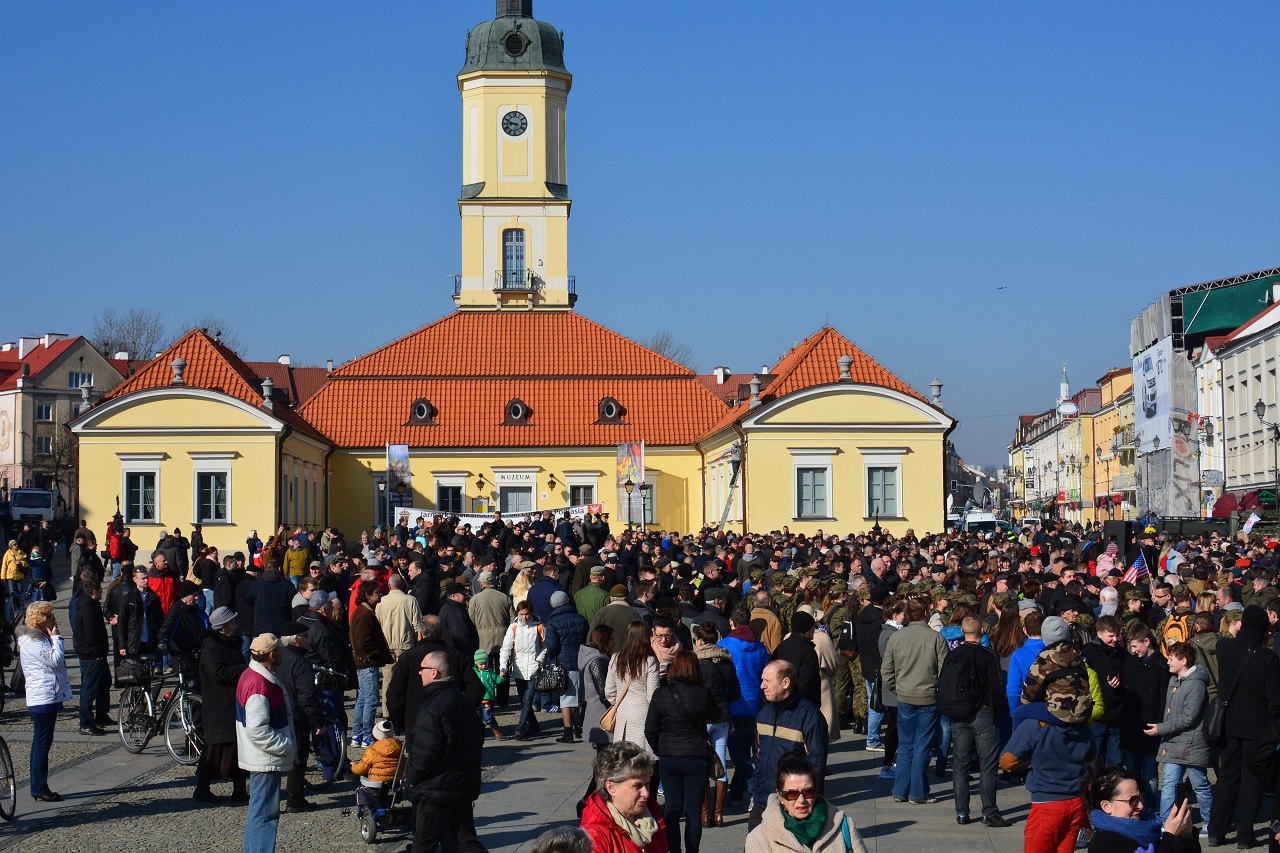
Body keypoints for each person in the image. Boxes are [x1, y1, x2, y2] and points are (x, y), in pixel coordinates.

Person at [1205, 605, 1280, 848]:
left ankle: (1216, 831)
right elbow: (1275, 701)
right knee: (1252, 781)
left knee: (1226, 777)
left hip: (1229, 724)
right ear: (1264, 630)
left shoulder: (1224, 647)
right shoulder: (1267, 657)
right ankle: (1244, 836)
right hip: (1258, 728)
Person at [407, 650, 489, 853]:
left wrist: (412, 779)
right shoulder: (462, 700)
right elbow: (478, 736)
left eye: (423, 669)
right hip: (461, 783)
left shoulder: (431, 708)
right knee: (467, 843)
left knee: (423, 846)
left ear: (434, 672)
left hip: (438, 789)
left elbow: (426, 754)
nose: (419, 672)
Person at [644, 650, 723, 853]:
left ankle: (674, 850)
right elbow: (716, 715)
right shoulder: (703, 693)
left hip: (669, 755)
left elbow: (650, 729)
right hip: (696, 756)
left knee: (672, 807)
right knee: (693, 810)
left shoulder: (661, 694)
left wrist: (660, 749)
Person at [942, 615, 1012, 827]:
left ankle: (962, 812)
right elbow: (997, 687)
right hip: (983, 712)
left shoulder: (953, 655)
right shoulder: (987, 656)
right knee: (988, 764)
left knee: (960, 764)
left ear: (962, 632)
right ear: (982, 631)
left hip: (959, 714)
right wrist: (997, 710)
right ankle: (989, 811)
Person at [880, 597, 948, 805]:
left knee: (906, 744)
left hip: (905, 696)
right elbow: (945, 671)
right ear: (926, 614)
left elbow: (886, 670)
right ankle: (917, 793)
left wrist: (897, 688)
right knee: (922, 745)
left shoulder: (896, 637)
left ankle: (900, 790)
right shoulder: (936, 638)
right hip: (928, 696)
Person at [236, 633, 298, 853]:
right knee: (265, 815)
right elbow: (258, 730)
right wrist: (286, 746)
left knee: (259, 813)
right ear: (272, 655)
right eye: (279, 650)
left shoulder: (252, 674)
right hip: (265, 759)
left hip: (261, 757)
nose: (282, 652)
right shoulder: (259, 685)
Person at [750, 660, 829, 830]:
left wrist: (806, 802)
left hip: (792, 806)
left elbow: (817, 764)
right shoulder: (763, 714)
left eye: (767, 681)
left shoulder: (809, 716)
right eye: (762, 680)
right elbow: (758, 755)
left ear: (785, 683)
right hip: (762, 802)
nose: (762, 686)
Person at [1143, 641, 1212, 826]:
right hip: (1173, 743)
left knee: (1200, 785)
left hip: (1192, 745)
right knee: (1168, 784)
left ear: (1184, 660)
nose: (1168, 662)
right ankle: (1166, 823)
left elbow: (1189, 717)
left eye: (1172, 659)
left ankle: (1211, 822)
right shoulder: (1174, 681)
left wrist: (1161, 729)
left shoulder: (1196, 685)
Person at [745, 753, 869, 853]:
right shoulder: (759, 839)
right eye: (792, 794)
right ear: (780, 796)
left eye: (808, 792)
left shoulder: (844, 826)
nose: (801, 800)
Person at [17, 600, 72, 802]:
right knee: (41, 742)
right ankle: (39, 787)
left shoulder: (38, 637)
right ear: (39, 619)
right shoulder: (33, 641)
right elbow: (55, 660)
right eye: (49, 616)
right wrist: (56, 637)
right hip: (42, 695)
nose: (53, 618)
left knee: (42, 742)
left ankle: (39, 786)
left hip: (47, 693)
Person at [195, 607, 250, 804]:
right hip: (219, 705)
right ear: (223, 627)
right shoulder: (212, 647)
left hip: (232, 703)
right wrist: (243, 669)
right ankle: (202, 788)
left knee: (238, 748)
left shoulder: (231, 642)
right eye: (232, 622)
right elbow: (218, 674)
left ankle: (239, 790)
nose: (236, 625)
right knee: (215, 750)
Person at [579, 740, 669, 853]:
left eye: (647, 784)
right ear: (611, 787)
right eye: (637, 786)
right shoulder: (594, 837)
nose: (646, 793)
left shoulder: (654, 818)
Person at [1083, 766, 1197, 853]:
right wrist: (1171, 837)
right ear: (1106, 806)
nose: (1140, 806)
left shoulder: (1150, 830)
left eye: (1140, 798)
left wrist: (1187, 836)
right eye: (1132, 800)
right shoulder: (1103, 843)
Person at [720, 605, 769, 806]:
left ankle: (751, 783)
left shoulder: (724, 645)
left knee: (736, 751)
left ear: (731, 622)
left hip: (733, 704)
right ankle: (736, 793)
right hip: (754, 703)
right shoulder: (760, 647)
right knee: (745, 750)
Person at [692, 621, 739, 827]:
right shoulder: (726, 661)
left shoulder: (696, 662)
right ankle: (718, 814)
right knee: (721, 766)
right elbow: (736, 692)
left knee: (703, 765)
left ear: (700, 641)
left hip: (702, 718)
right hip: (722, 717)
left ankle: (704, 814)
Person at [606, 621, 661, 761]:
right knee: (642, 760)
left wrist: (617, 703)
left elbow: (609, 691)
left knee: (622, 760)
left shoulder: (616, 658)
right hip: (643, 715)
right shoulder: (649, 661)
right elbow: (653, 695)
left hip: (622, 714)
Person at [541, 589, 591, 742]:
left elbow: (552, 646)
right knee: (581, 697)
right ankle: (579, 727)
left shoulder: (552, 622)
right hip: (582, 660)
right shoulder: (580, 618)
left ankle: (568, 732)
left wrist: (551, 659)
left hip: (564, 663)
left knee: (566, 700)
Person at [350, 579, 394, 748]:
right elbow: (364, 640)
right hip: (367, 663)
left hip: (363, 661)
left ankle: (357, 734)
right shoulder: (364, 614)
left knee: (362, 699)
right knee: (370, 699)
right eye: (377, 592)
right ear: (368, 595)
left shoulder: (362, 612)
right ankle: (366, 735)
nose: (380, 594)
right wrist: (375, 654)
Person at [71, 578, 113, 734]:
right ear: (94, 592)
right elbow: (90, 635)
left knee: (104, 684)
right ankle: (85, 722)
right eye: (100, 590)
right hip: (92, 656)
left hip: (97, 654)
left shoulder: (92, 605)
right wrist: (97, 653)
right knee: (89, 689)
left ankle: (101, 715)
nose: (102, 592)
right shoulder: (87, 609)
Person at [500, 599, 546, 739]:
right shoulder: (513, 627)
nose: (524, 617)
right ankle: (534, 725)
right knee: (523, 700)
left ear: (531, 613)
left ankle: (520, 728)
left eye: (526, 614)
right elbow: (506, 648)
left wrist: (539, 660)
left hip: (534, 668)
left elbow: (545, 646)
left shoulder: (538, 626)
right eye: (521, 614)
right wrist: (503, 666)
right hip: (518, 668)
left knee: (527, 699)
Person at [580, 624, 616, 747]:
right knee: (604, 753)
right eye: (611, 639)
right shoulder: (597, 660)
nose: (614, 642)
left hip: (599, 713)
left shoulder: (598, 657)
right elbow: (603, 692)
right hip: (601, 714)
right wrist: (615, 707)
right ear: (603, 640)